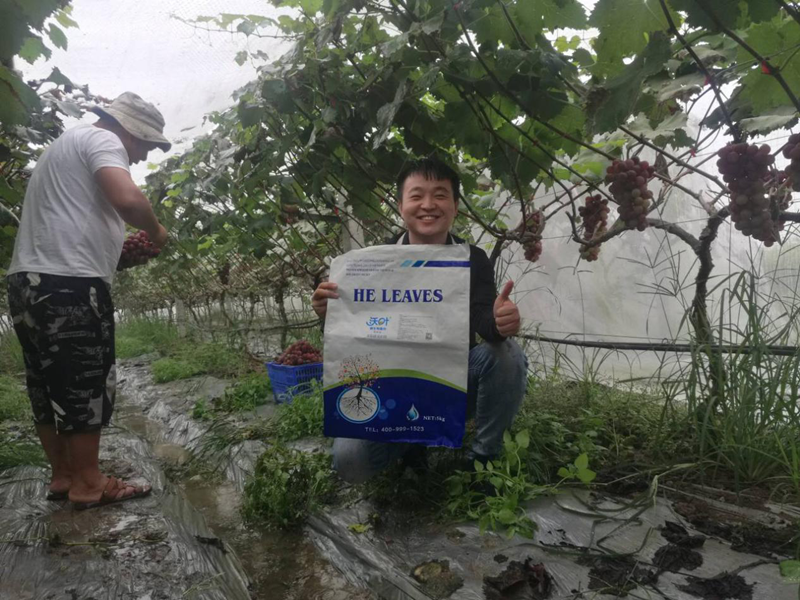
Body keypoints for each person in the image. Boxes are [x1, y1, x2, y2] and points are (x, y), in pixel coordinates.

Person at [311, 157, 528, 483]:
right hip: (391, 386)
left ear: (455, 206)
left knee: (507, 355)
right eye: (417, 195)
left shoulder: (472, 259)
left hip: (451, 381)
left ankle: (483, 461)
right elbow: (356, 332)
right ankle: (412, 444)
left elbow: (484, 320)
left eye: (440, 195)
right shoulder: (375, 262)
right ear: (400, 206)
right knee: (350, 461)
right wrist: (329, 313)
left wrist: (499, 321)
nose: (428, 205)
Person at [6, 92, 171, 509]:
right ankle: (90, 484)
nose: (142, 156)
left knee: (46, 381)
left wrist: (112, 256)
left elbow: (72, 225)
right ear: (131, 132)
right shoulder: (104, 140)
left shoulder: (62, 147)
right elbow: (128, 199)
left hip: (29, 281)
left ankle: (64, 476)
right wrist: (156, 232)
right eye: (147, 146)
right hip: (69, 285)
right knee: (83, 381)